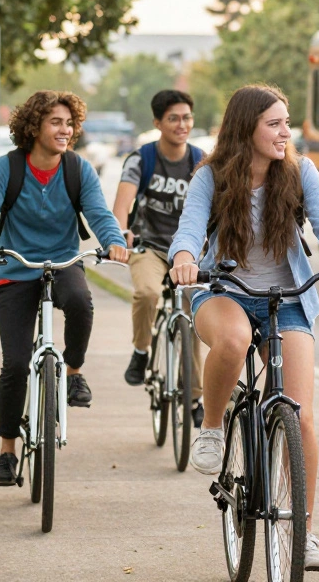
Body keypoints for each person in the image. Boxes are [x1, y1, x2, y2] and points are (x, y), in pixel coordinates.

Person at [168, 84, 319, 572]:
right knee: (235, 341)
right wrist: (183, 260)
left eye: (286, 123)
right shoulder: (211, 176)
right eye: (274, 124)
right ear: (247, 129)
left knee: (299, 416)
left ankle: (302, 528)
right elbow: (191, 228)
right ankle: (213, 427)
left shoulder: (298, 172)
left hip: (288, 299)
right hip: (225, 291)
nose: (285, 133)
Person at [0, 90, 129, 487]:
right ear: (34, 126)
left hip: (62, 260)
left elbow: (98, 212)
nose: (65, 130)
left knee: (81, 302)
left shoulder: (78, 169)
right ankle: (7, 451)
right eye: (56, 122)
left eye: (69, 123)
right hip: (15, 267)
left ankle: (73, 372)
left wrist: (114, 241)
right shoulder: (9, 168)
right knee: (16, 363)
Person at [111, 90, 207, 426]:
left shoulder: (202, 161)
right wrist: (119, 236)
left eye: (187, 118)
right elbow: (122, 206)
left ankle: (195, 397)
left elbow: (218, 208)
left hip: (190, 253)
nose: (182, 125)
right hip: (149, 246)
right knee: (149, 293)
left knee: (192, 315)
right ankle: (141, 352)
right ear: (157, 123)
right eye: (174, 118)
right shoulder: (142, 159)